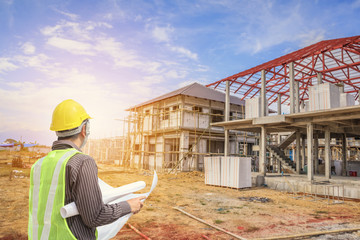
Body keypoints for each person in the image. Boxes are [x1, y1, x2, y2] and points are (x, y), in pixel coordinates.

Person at [28, 99, 145, 240]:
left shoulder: (39, 164)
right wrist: (128, 206)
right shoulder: (82, 162)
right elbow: (95, 216)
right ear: (84, 129)